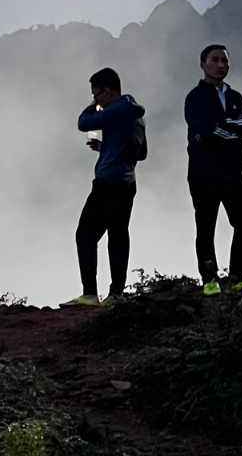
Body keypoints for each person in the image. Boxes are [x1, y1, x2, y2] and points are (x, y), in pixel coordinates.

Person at [184, 44, 242, 294]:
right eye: (215, 60)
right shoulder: (195, 97)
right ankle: (210, 279)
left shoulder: (235, 96)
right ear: (203, 64)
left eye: (225, 61)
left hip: (234, 172)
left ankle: (238, 277)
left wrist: (224, 126)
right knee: (206, 226)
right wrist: (231, 131)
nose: (220, 65)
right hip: (203, 173)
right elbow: (204, 129)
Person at [69, 67, 146, 306]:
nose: (95, 98)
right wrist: (107, 147)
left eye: (96, 93)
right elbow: (140, 152)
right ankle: (116, 293)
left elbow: (83, 122)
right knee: (118, 236)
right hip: (127, 181)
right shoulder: (134, 114)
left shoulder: (116, 110)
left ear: (107, 91)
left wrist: (93, 105)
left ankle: (90, 293)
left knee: (85, 235)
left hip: (107, 183)